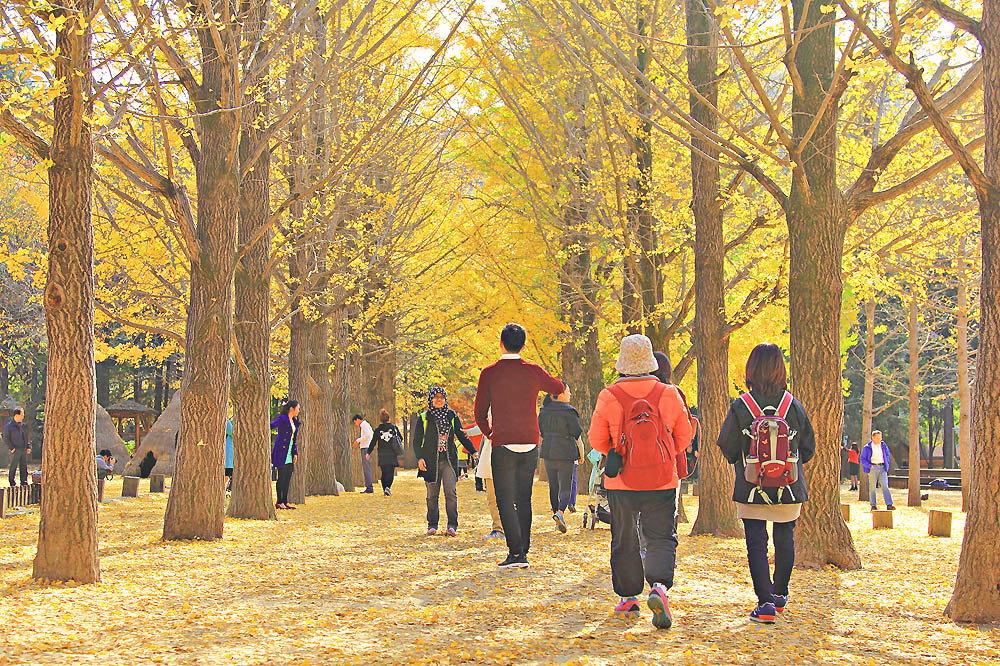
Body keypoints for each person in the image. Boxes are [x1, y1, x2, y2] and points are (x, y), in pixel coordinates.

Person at [589, 335, 693, 629]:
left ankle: (628, 598)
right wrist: (662, 455)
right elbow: (684, 437)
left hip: (621, 481)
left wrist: (616, 449)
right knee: (660, 536)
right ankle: (659, 586)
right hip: (661, 482)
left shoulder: (608, 395)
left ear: (623, 362)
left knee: (624, 538)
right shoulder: (668, 393)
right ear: (650, 361)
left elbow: (597, 440)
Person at [716, 343, 816, 624]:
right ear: (780, 369)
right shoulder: (792, 405)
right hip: (789, 485)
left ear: (751, 369)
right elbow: (808, 448)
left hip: (751, 486)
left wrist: (746, 461)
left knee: (756, 544)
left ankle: (765, 603)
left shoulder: (741, 406)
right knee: (785, 538)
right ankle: (780, 594)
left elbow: (728, 445)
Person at [474, 323, 564, 569]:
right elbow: (558, 387)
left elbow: (479, 413)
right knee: (524, 498)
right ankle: (523, 549)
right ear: (523, 346)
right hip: (530, 441)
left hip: (503, 441)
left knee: (504, 499)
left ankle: (516, 554)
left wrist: (489, 433)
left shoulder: (489, 373)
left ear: (500, 343)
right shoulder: (533, 371)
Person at [414, 387, 476, 536]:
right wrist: (420, 458)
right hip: (430, 462)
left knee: (450, 493)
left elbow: (462, 436)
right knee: (432, 496)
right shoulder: (424, 417)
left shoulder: (451, 415)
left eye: (442, 397)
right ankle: (432, 525)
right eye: (436, 397)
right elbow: (416, 441)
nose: (439, 400)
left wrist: (473, 451)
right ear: (431, 399)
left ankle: (452, 525)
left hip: (448, 460)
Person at [538, 386, 583, 534]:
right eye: (568, 391)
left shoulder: (544, 411)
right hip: (566, 451)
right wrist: (581, 454)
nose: (570, 393)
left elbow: (541, 431)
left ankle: (558, 520)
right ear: (560, 394)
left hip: (549, 451)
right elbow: (577, 433)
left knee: (553, 486)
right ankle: (560, 513)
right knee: (565, 487)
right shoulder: (569, 411)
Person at [473, 428, 505, 541]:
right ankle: (498, 529)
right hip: (489, 458)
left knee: (508, 498)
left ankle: (511, 529)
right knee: (492, 498)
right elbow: (483, 424)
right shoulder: (490, 412)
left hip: (507, 458)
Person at [270, 400, 300, 510]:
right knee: (281, 477)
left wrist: (295, 453)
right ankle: (279, 501)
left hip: (290, 451)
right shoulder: (282, 419)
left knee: (288, 477)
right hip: (281, 451)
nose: (298, 411)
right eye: (297, 408)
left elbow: (294, 439)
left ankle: (285, 501)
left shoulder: (294, 421)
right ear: (291, 409)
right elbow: (271, 426)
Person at [369, 409, 404, 496]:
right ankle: (388, 487)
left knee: (384, 472)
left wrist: (368, 452)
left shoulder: (378, 430)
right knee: (390, 472)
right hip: (392, 453)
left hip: (382, 454)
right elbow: (401, 438)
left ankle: (385, 488)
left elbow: (373, 442)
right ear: (389, 418)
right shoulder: (394, 428)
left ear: (380, 419)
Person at [860, 430, 895, 511]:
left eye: (880, 437)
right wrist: (869, 466)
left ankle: (889, 504)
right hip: (873, 467)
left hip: (882, 467)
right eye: (877, 438)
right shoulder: (867, 447)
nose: (879, 439)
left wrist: (887, 464)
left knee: (885, 486)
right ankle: (873, 505)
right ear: (873, 437)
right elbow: (862, 459)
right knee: (872, 487)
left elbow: (887, 454)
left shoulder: (883, 445)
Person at [4, 407, 29, 487]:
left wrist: (28, 447)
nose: (23, 417)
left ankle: (24, 482)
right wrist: (11, 448)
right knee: (13, 466)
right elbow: (6, 438)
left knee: (24, 466)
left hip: (23, 449)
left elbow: (26, 437)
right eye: (22, 415)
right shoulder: (9, 426)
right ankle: (12, 483)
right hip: (14, 449)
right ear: (16, 415)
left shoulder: (23, 425)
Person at [353, 414, 375, 494]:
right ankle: (368, 486)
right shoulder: (366, 424)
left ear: (358, 419)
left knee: (366, 468)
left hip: (366, 448)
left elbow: (368, 435)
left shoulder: (364, 425)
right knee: (366, 468)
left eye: (355, 422)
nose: (356, 424)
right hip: (366, 447)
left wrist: (358, 440)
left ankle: (369, 487)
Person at [224, 417, 234, 492]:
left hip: (228, 456)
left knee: (227, 476)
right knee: (226, 476)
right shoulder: (226, 421)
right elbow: (233, 432)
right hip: (227, 455)